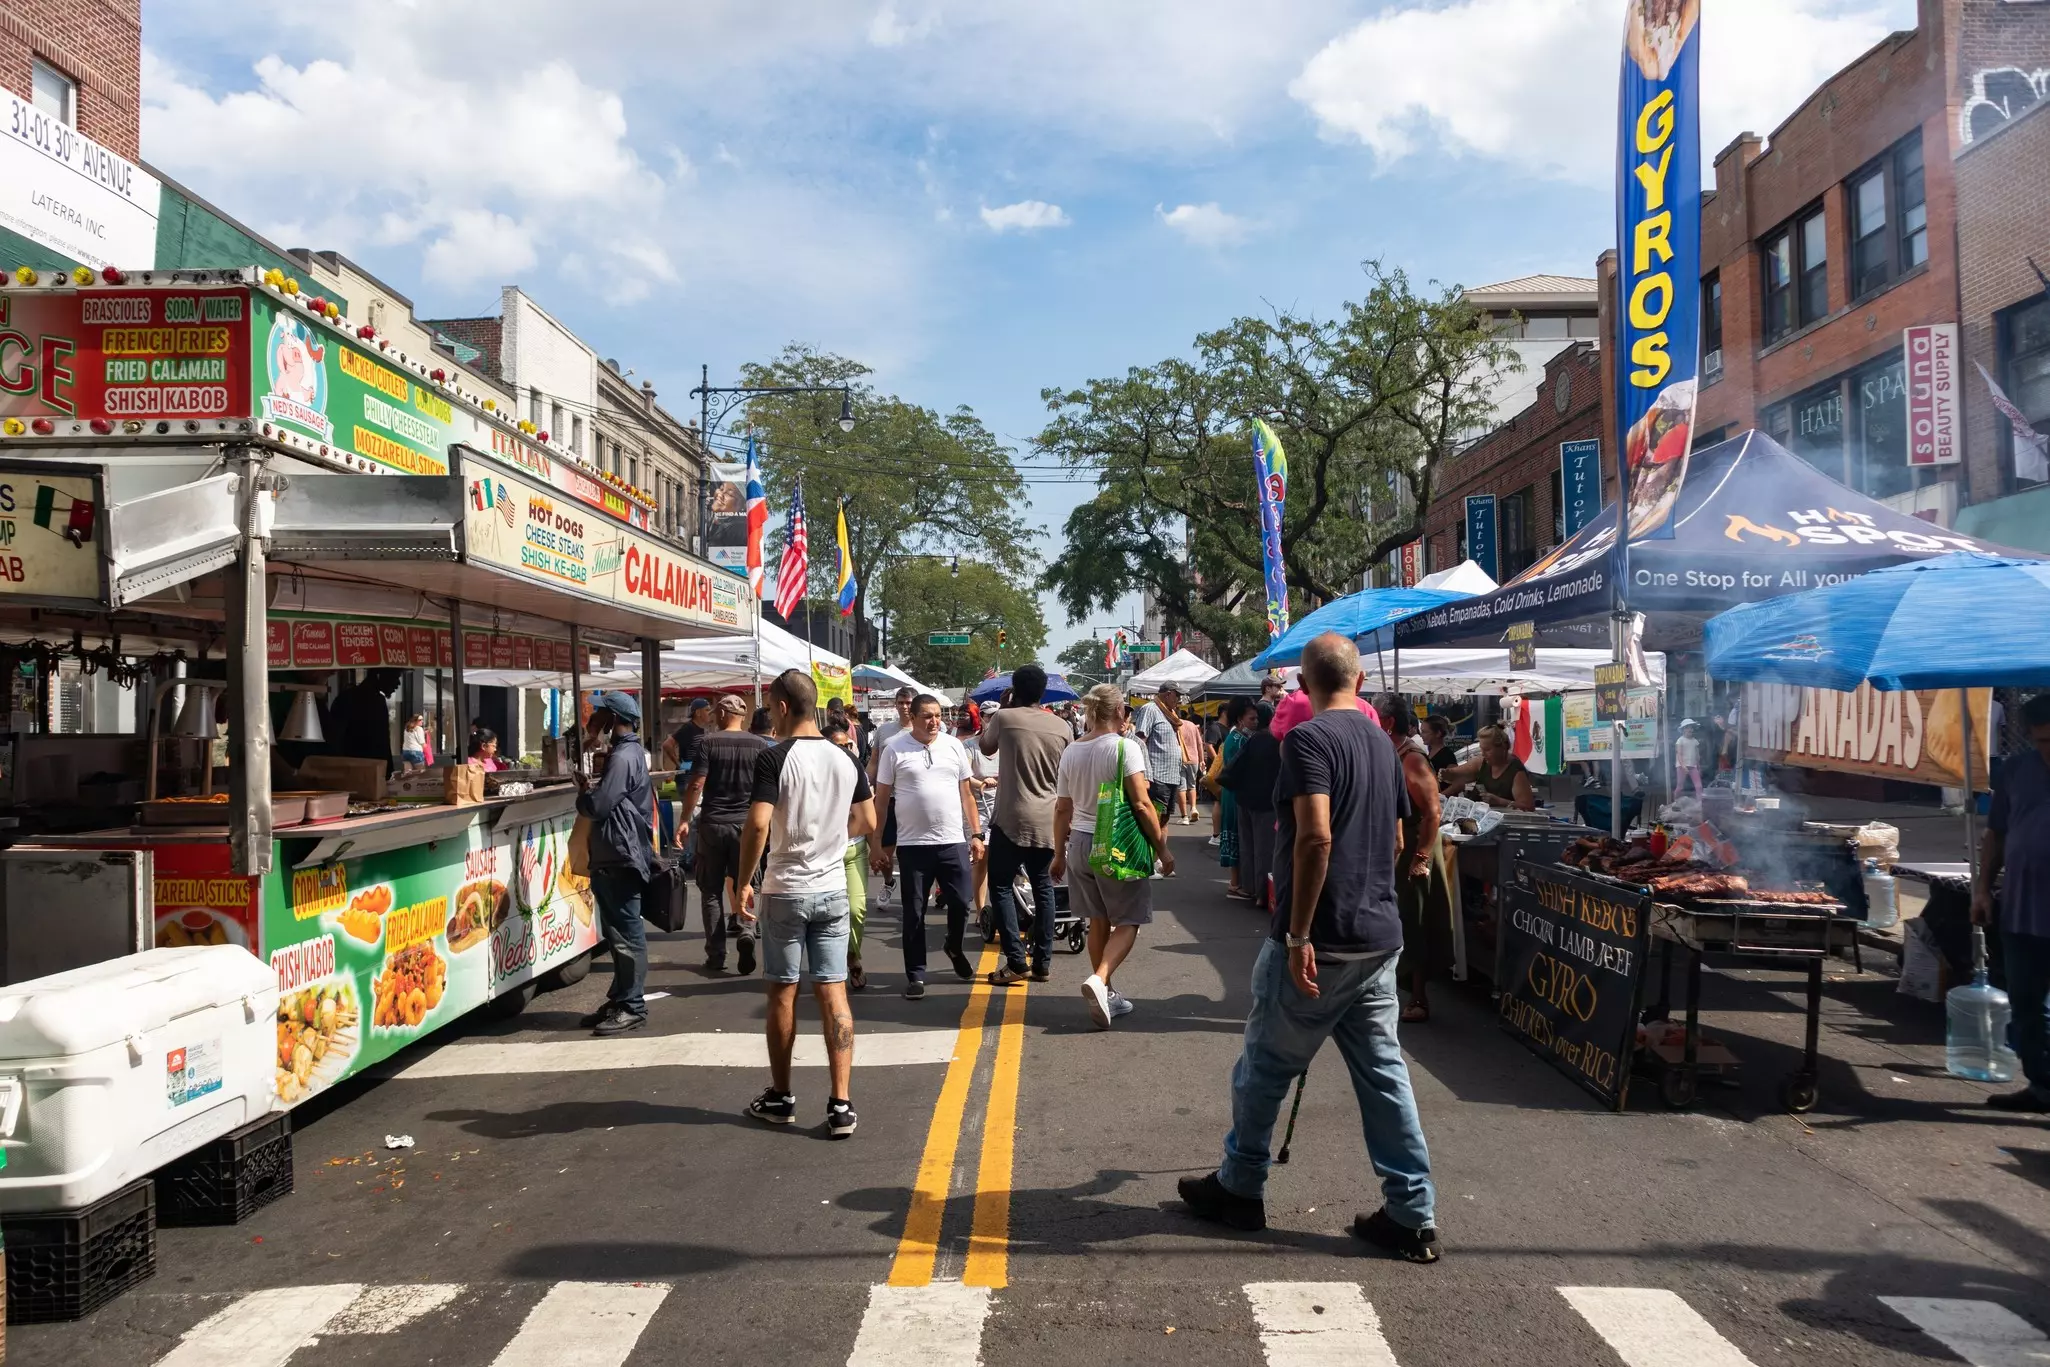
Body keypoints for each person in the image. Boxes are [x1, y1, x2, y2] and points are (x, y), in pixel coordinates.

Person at [1178, 633, 1438, 1263]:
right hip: (1378, 938)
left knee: (1263, 1069)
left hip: (1323, 939)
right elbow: (1401, 838)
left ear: (1305, 680)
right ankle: (1412, 1213)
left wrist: (1299, 934)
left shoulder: (1309, 741)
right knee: (1384, 1078)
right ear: (1358, 679)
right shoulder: (1383, 743)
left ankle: (1241, 1186)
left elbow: (1315, 838)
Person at [736, 669, 876, 1138]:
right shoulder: (846, 758)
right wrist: (833, 842)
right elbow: (868, 819)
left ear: (779, 707)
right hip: (832, 887)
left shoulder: (774, 758)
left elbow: (757, 826)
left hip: (785, 889)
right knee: (833, 991)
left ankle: (781, 1095)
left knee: (783, 991)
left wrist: (743, 881)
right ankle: (842, 1103)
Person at [1056, 684, 1174, 1028]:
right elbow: (1140, 803)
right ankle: (1100, 978)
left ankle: (1106, 993)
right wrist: (1162, 848)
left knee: (1097, 919)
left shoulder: (1071, 751)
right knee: (1129, 920)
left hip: (1078, 841)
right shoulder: (1125, 749)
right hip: (1115, 844)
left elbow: (1063, 807)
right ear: (1119, 711)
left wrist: (1057, 853)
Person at [872, 694, 983, 999]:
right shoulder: (894, 749)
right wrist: (877, 843)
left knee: (961, 903)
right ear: (913, 718)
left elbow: (967, 795)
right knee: (914, 912)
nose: (934, 722)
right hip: (912, 846)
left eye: (938, 716)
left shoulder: (953, 746)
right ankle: (916, 974)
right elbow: (881, 802)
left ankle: (953, 946)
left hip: (952, 842)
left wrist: (976, 834)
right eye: (927, 716)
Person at [1974, 693, 2050, 1114]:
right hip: (2021, 909)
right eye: (2041, 741)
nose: (2048, 751)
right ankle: (2042, 1086)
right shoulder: (2017, 771)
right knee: (2025, 1004)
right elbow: (1996, 834)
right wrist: (1982, 889)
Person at [980, 663, 1071, 987]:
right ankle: (1043, 961)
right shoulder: (1062, 727)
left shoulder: (1005, 718)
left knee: (1001, 886)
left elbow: (985, 747)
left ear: (1014, 690)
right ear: (1043, 692)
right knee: (1043, 887)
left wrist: (1004, 708)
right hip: (1048, 818)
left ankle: (1017, 960)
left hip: (1010, 817)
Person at [575, 691, 657, 1037]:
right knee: (617, 931)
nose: (594, 723)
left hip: (620, 855)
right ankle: (622, 998)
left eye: (600, 716)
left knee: (626, 933)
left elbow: (600, 806)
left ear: (613, 719)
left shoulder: (623, 757)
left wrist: (584, 795)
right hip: (617, 852)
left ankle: (632, 1006)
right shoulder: (628, 753)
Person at [679, 694, 771, 975]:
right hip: (747, 825)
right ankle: (745, 928)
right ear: (743, 717)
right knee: (748, 883)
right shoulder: (759, 745)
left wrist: (684, 818)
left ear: (721, 714)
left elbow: (697, 784)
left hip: (713, 824)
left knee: (710, 890)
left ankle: (717, 954)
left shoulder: (708, 742)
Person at [1376, 693, 1443, 1024]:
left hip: (1416, 848)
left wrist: (1421, 857)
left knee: (1414, 923)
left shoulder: (1412, 758)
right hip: (1396, 848)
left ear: (1388, 722)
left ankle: (1419, 998)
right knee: (1399, 920)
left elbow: (1432, 813)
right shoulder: (1395, 752)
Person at [825, 718, 872, 990]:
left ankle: (853, 955)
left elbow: (868, 816)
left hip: (854, 848)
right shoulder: (813, 773)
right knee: (829, 912)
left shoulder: (857, 772)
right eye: (837, 746)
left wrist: (877, 848)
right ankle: (833, 965)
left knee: (856, 909)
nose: (844, 751)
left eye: (847, 745)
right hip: (824, 853)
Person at [1221, 701, 1282, 909]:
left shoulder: (1251, 740)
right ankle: (1263, 894)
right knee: (1264, 849)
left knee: (1248, 847)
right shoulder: (1276, 742)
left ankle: (1250, 888)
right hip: (1265, 802)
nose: (1254, 722)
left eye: (1256, 718)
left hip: (1244, 800)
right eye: (1251, 718)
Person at [1440, 724, 1535, 811]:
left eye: (1487, 750)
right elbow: (1456, 775)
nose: (1483, 753)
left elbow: (1528, 807)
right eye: (1481, 749)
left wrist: (1500, 801)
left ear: (1503, 747)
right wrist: (1446, 774)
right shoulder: (1481, 762)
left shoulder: (1516, 771)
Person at [1132, 684, 1186, 820]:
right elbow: (1139, 742)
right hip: (1158, 777)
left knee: (1164, 818)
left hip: (1172, 776)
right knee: (1155, 818)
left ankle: (1161, 842)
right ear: (1168, 694)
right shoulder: (1150, 710)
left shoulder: (1170, 713)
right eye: (1177, 695)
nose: (1179, 699)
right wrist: (1144, 774)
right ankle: (1155, 842)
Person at [961, 713, 998, 911]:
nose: (991, 720)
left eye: (995, 716)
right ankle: (981, 909)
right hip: (979, 808)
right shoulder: (970, 746)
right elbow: (965, 775)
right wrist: (982, 782)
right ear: (981, 718)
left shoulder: (1008, 745)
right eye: (987, 716)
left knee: (1003, 864)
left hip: (1004, 809)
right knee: (981, 860)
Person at [331, 668, 401, 767]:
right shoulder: (374, 701)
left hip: (354, 771)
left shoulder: (346, 698)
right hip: (362, 772)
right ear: (379, 675)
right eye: (395, 677)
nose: (398, 684)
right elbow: (382, 745)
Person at [1216, 699, 1250, 893]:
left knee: (1234, 832)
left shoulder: (1235, 737)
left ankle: (1236, 880)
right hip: (1236, 791)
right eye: (1251, 718)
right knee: (1237, 833)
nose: (1255, 722)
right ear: (1240, 719)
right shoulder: (1238, 739)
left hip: (1231, 791)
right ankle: (1236, 881)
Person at [1271, 679, 1377, 740]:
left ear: (1302, 680)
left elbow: (1275, 733)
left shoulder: (1292, 702)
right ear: (1359, 680)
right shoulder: (1367, 709)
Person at [663, 697, 712, 772]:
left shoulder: (703, 729)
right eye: (707, 710)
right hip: (687, 778)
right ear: (698, 712)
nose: (710, 712)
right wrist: (679, 765)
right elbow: (667, 744)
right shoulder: (689, 727)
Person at [1176, 709, 1206, 825]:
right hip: (1194, 759)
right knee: (1192, 785)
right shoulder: (1192, 725)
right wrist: (1202, 760)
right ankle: (1193, 808)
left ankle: (1184, 817)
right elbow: (1199, 743)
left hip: (1180, 758)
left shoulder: (1175, 726)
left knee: (1181, 787)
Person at [1673, 719, 1705, 799]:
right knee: (1680, 786)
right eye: (1688, 728)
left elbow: (1697, 755)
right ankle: (1675, 802)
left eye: (1691, 728)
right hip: (1681, 766)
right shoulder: (1680, 740)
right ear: (1684, 729)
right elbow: (1679, 754)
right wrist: (1683, 766)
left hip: (1693, 766)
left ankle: (1699, 803)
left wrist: (1699, 767)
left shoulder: (1695, 741)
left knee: (1699, 786)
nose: (1690, 730)